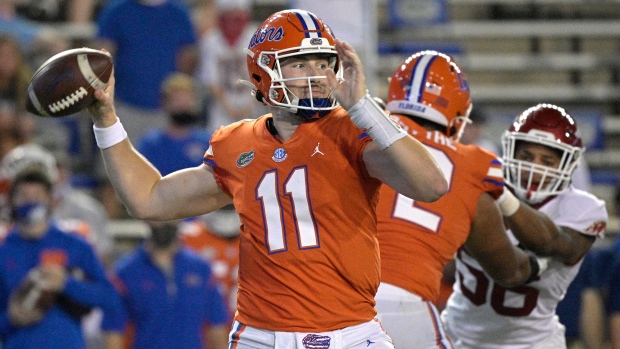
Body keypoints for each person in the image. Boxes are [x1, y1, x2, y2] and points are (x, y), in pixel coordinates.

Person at [87, 8, 448, 348]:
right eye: (300, 63)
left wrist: (364, 106)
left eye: (323, 63)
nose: (316, 74)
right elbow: (149, 199)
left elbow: (431, 185)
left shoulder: (352, 129)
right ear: (264, 72)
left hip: (350, 333)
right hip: (260, 336)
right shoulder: (237, 144)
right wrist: (106, 120)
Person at [373, 51, 548, 348]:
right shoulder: (474, 166)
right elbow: (507, 270)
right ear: (458, 112)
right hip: (407, 307)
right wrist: (537, 266)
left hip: (332, 300)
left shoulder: (358, 133)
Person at [441, 103, 608, 349]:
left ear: (566, 165)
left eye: (547, 160)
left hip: (532, 342)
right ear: (511, 153)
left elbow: (553, 243)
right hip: (457, 334)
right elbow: (444, 267)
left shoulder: (583, 208)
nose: (534, 167)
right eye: (526, 157)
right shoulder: (485, 192)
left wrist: (500, 196)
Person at [0, 167, 122, 349]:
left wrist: (66, 283)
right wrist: (11, 318)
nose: (30, 201)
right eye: (23, 196)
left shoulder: (75, 245)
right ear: (11, 202)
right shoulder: (4, 250)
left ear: (51, 200)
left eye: (37, 195)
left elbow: (110, 298)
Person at [102, 220, 229, 349]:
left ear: (179, 217)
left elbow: (217, 327)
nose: (163, 223)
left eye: (169, 217)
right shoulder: (126, 271)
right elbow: (114, 331)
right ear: (147, 219)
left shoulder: (201, 269)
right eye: (158, 218)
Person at [94, 0, 200, 141]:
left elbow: (188, 58)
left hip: (166, 112)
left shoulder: (179, 12)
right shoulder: (117, 10)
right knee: (117, 159)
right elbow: (102, 57)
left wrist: (177, 98)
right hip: (125, 107)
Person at [197, 0, 266, 131]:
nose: (234, 21)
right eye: (230, 15)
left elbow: (264, 77)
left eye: (238, 15)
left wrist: (250, 106)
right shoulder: (211, 40)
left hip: (252, 105)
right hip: (221, 110)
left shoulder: (256, 36)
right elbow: (211, 81)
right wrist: (230, 109)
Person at [136, 72, 212, 176]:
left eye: (187, 99)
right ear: (165, 103)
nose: (183, 105)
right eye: (177, 100)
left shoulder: (207, 142)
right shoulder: (151, 143)